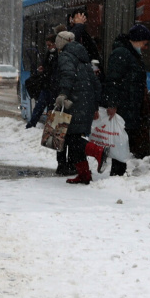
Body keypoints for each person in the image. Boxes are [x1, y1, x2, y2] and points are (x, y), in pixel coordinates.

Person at [53, 30, 110, 185]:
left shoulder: (66, 56)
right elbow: (95, 83)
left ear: (62, 42)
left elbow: (68, 75)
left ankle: (98, 152)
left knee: (72, 139)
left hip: (73, 102)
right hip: (86, 102)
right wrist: (95, 106)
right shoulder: (83, 57)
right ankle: (84, 175)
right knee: (74, 138)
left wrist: (63, 94)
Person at [102, 24, 150, 176]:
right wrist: (112, 104)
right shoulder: (121, 54)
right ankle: (117, 172)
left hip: (129, 105)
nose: (145, 47)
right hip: (123, 106)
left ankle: (119, 171)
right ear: (136, 40)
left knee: (124, 139)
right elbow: (113, 80)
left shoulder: (131, 54)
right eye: (145, 43)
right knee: (120, 140)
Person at [26, 33, 59, 129]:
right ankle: (30, 126)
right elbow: (47, 66)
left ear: (55, 44)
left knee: (50, 110)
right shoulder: (49, 54)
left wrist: (46, 70)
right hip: (46, 86)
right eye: (47, 45)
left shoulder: (59, 55)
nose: (48, 47)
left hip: (53, 88)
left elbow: (54, 70)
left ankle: (49, 130)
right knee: (38, 108)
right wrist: (43, 68)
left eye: (50, 45)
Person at [67, 7, 101, 74]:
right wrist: (79, 25)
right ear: (71, 19)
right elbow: (72, 41)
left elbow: (93, 54)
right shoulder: (67, 33)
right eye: (77, 18)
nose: (80, 21)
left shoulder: (86, 35)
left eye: (82, 19)